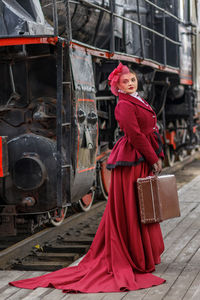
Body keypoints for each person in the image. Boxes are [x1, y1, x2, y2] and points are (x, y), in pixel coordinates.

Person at [9, 63, 165, 293]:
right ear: (117, 86)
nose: (131, 83)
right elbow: (135, 135)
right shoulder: (123, 105)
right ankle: (134, 255)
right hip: (134, 158)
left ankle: (143, 254)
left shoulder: (136, 99)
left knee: (140, 207)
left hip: (139, 159)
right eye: (126, 81)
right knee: (133, 208)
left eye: (132, 79)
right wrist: (153, 158)